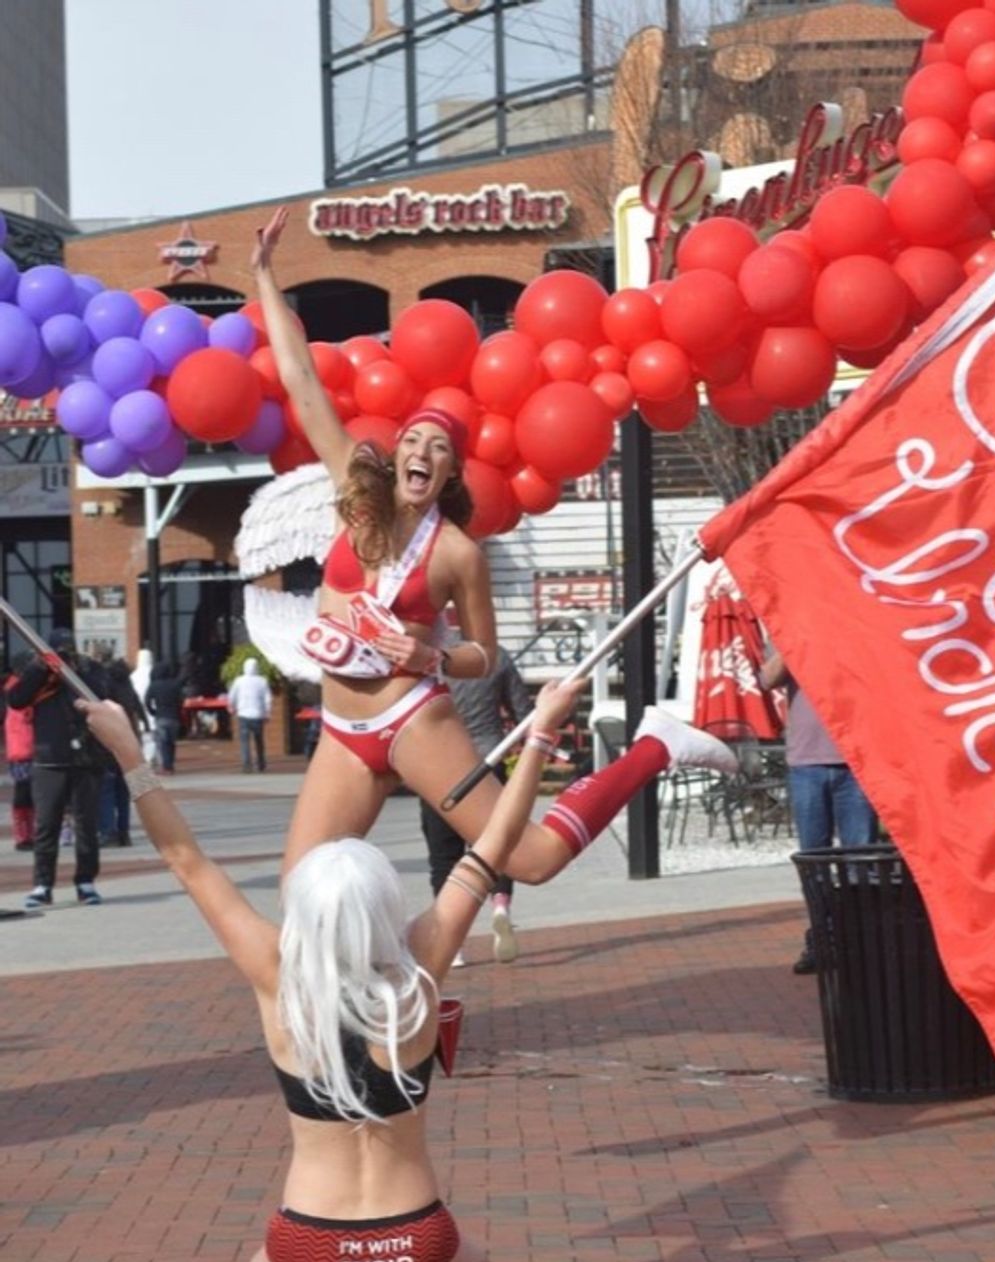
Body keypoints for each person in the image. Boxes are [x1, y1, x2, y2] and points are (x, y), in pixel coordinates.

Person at [77, 675, 587, 1262]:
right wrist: (539, 732)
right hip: (415, 1238)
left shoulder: (275, 976)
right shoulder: (419, 967)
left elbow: (186, 861)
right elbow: (492, 848)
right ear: (384, 905)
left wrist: (131, 756)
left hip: (307, 1243)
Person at [253, 207, 736, 890]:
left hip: (413, 719)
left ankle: (655, 746)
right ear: (395, 458)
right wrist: (265, 276)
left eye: (440, 448)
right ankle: (411, 995)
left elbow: (484, 656)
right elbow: (303, 387)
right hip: (340, 727)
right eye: (414, 441)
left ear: (449, 474)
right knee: (302, 886)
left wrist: (431, 656)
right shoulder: (354, 499)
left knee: (530, 861)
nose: (423, 451)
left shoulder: (456, 552)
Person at [760, 649, 879, 974]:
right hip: (807, 765)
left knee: (861, 861)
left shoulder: (852, 629)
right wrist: (792, 642)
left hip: (855, 763)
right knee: (815, 862)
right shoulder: (791, 628)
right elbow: (767, 679)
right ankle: (822, 939)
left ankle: (860, 940)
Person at [419, 645, 532, 966]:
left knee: (443, 855)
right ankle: (500, 906)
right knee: (497, 845)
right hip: (488, 759)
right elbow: (524, 715)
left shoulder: (429, 656)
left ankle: (451, 944)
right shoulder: (496, 657)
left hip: (438, 765)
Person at [8, 629, 111, 909]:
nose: (64, 655)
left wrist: (75, 670)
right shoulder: (39, 675)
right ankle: (43, 885)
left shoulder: (89, 670)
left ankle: (86, 881)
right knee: (46, 826)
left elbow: (101, 696)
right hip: (48, 760)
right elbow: (16, 699)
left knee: (86, 825)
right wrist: (42, 668)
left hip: (85, 761)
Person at [99, 656, 149, 847]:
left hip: (110, 742)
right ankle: (124, 832)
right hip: (129, 741)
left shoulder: (107, 687)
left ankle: (108, 831)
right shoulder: (128, 686)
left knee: (107, 790)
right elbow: (139, 708)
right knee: (124, 792)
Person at [4, 664, 35, 852]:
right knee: (24, 795)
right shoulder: (17, 694)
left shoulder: (16, 692)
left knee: (27, 795)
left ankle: (26, 834)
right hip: (23, 750)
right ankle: (24, 835)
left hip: (22, 749)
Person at [227, 657, 274, 773]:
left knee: (244, 741)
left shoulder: (239, 680)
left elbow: (232, 695)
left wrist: (231, 706)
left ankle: (246, 765)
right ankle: (261, 764)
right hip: (258, 714)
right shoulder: (262, 681)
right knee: (259, 741)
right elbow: (268, 698)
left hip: (243, 714)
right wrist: (267, 712)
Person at [146, 661, 184, 774]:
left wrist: (153, 712)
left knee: (162, 742)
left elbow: (147, 701)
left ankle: (165, 766)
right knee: (171, 743)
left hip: (161, 716)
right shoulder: (175, 684)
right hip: (174, 717)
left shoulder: (154, 685)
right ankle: (170, 765)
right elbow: (181, 700)